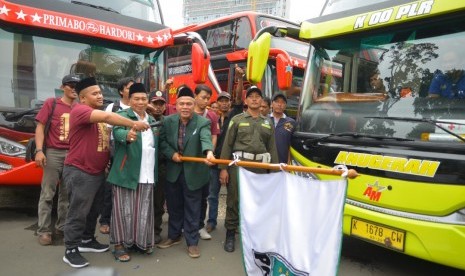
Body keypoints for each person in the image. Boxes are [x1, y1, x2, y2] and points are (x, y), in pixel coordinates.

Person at [62, 77, 149, 268]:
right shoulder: (80, 110)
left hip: (98, 172)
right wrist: (133, 124)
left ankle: (86, 240)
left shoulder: (96, 112)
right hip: (80, 171)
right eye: (95, 93)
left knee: (94, 209)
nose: (100, 96)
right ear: (83, 98)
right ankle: (70, 250)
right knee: (78, 211)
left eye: (100, 92)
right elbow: (109, 118)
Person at [157, 85, 215, 258]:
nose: (185, 107)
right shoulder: (168, 121)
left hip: (194, 172)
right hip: (173, 171)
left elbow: (205, 138)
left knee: (193, 208)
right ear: (176, 105)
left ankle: (192, 242)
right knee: (174, 207)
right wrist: (172, 154)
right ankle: (174, 236)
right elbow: (163, 142)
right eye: (182, 103)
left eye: (189, 104)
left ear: (193, 104)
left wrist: (209, 152)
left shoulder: (203, 122)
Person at [219, 85, 279, 253]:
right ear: (245, 101)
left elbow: (272, 149)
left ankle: (252, 236)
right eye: (251, 96)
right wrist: (223, 168)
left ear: (261, 101)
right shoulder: (237, 120)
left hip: (259, 168)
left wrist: (274, 173)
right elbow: (227, 145)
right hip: (239, 166)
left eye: (257, 96)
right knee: (234, 200)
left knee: (257, 202)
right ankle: (230, 234)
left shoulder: (268, 123)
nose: (254, 98)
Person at [106, 83, 158, 262]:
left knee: (142, 209)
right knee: (123, 210)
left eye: (144, 99)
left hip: (147, 172)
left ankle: (139, 242)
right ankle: (119, 246)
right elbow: (118, 131)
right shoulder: (122, 116)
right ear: (130, 100)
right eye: (136, 98)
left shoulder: (152, 120)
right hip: (125, 172)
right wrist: (127, 136)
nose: (140, 102)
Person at [35, 74, 80, 246]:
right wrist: (40, 151)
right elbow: (39, 127)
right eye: (70, 85)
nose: (73, 88)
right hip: (53, 153)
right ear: (63, 87)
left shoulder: (81, 107)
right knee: (48, 193)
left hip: (73, 154)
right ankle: (44, 230)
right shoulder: (51, 103)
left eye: (77, 85)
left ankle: (62, 227)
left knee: (67, 194)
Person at [206, 65, 245, 234]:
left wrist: (240, 79)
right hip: (214, 161)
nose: (223, 103)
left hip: (231, 161)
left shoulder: (234, 115)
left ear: (229, 103)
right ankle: (212, 222)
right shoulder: (211, 118)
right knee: (213, 194)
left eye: (226, 100)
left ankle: (233, 224)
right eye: (220, 100)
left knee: (233, 195)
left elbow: (238, 98)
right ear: (216, 102)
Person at [99, 77, 134, 235]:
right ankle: (105, 220)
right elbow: (106, 132)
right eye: (129, 88)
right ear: (121, 91)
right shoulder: (113, 107)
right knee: (110, 187)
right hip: (115, 150)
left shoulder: (139, 107)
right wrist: (106, 155)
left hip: (133, 150)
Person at [193, 84, 220, 240]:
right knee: (189, 195)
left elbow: (214, 136)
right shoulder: (187, 112)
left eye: (208, 98)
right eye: (203, 97)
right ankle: (187, 225)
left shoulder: (212, 116)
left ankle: (200, 226)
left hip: (206, 161)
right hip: (189, 160)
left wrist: (209, 153)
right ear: (195, 96)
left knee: (205, 195)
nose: (205, 101)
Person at [146, 90, 167, 245]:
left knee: (158, 203)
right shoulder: (142, 120)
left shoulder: (169, 122)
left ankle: (155, 231)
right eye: (155, 103)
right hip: (143, 167)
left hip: (161, 168)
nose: (158, 107)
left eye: (161, 104)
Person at [270, 93, 296, 164]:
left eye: (282, 102)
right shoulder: (265, 120)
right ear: (271, 104)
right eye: (277, 101)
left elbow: (292, 145)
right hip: (265, 162)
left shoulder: (291, 123)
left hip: (282, 163)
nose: (279, 104)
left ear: (285, 106)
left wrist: (289, 162)